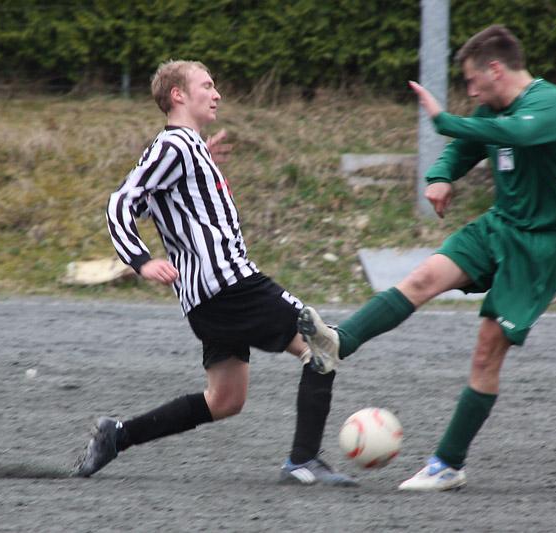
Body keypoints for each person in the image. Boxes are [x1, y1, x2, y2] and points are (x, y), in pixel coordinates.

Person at [298, 24, 556, 491]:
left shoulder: (549, 105)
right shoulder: (492, 110)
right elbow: (467, 146)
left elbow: (514, 132)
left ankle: (448, 464)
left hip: (544, 244)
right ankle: (339, 341)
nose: (471, 92)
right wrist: (441, 175)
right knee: (423, 277)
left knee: (486, 352)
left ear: (496, 69)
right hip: (501, 224)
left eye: (472, 80)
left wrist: (444, 119)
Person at [72, 60, 355, 487]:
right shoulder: (175, 147)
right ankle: (304, 460)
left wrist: (203, 157)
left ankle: (117, 436)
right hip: (229, 286)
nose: (217, 93)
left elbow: (154, 199)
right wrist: (140, 260)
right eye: (206, 85)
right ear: (178, 95)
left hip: (209, 298)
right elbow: (121, 203)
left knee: (225, 400)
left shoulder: (186, 149)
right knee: (321, 345)